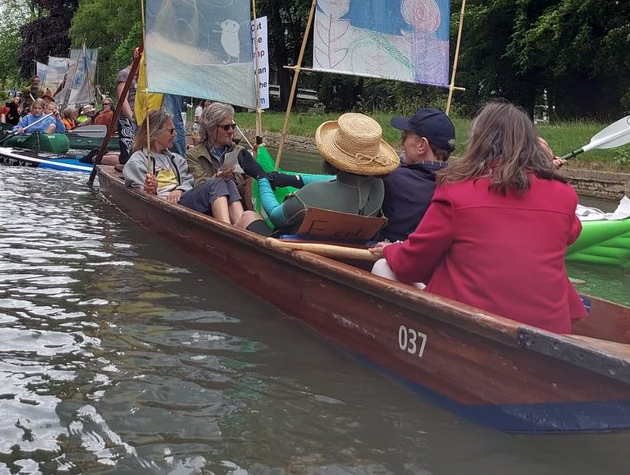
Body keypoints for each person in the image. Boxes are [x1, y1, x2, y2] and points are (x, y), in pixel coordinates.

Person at [370, 100, 587, 335]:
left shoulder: (456, 190)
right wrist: (547, 170)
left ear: (479, 141)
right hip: (551, 330)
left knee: (383, 266)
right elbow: (571, 232)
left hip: (471, 325)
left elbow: (411, 266)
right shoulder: (564, 194)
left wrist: (389, 250)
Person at [238, 112, 396, 234]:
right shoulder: (378, 187)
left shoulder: (312, 194)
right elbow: (339, 182)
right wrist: (293, 179)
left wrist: (260, 176)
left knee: (248, 216)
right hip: (342, 250)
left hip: (299, 254)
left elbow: (275, 216)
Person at [123, 109, 245, 226]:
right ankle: (226, 227)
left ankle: (240, 225)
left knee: (228, 182)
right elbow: (140, 192)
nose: (175, 134)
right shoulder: (138, 161)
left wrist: (180, 189)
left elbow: (189, 180)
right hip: (162, 207)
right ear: (155, 133)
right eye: (171, 131)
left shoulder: (176, 159)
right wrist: (152, 190)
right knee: (218, 182)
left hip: (181, 202)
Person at [380, 108, 456, 241]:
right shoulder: (457, 187)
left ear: (422, 145)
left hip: (386, 256)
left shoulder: (392, 179)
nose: (402, 143)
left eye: (404, 137)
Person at [186, 101, 256, 209]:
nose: (231, 131)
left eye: (233, 126)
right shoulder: (193, 155)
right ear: (210, 128)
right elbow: (199, 186)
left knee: (256, 179)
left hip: (240, 200)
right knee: (221, 183)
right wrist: (218, 177)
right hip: (211, 204)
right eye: (226, 127)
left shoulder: (239, 151)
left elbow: (250, 183)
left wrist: (256, 163)